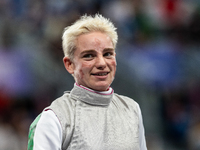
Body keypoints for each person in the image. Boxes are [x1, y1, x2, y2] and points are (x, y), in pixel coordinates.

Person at [27, 14, 147, 150]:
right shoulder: (53, 118)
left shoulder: (132, 109)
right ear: (69, 64)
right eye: (89, 55)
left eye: (108, 53)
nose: (101, 63)